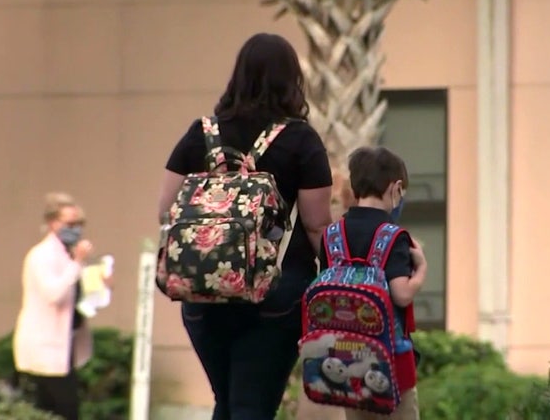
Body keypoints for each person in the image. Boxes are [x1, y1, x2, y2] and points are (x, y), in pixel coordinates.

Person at [157, 32, 333, 420]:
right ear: (292, 81)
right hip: (275, 293)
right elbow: (318, 224)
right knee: (252, 405)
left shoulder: (201, 134)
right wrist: (340, 277)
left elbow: (166, 211)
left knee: (228, 401)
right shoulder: (300, 141)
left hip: (202, 291)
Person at [318, 146, 427, 420]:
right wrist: (421, 269)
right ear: (396, 187)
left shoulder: (331, 234)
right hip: (391, 363)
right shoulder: (394, 236)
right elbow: (401, 294)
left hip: (344, 361)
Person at [13, 192, 97, 420]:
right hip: (45, 347)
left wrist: (98, 283)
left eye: (80, 223)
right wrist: (77, 262)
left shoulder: (66, 255)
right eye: (70, 223)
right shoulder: (41, 255)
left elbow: (77, 296)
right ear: (52, 223)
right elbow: (53, 294)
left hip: (65, 345)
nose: (77, 229)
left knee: (53, 410)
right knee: (64, 409)